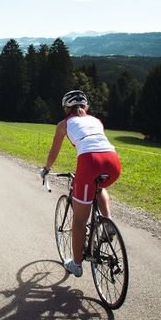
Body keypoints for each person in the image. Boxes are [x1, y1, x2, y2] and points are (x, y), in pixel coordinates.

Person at [40, 90, 121, 277]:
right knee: (99, 186)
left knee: (79, 220)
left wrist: (46, 168)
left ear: (66, 109)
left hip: (90, 161)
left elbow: (54, 151)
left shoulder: (64, 124)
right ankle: (107, 221)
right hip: (113, 161)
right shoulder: (96, 121)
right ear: (86, 107)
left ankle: (76, 264)